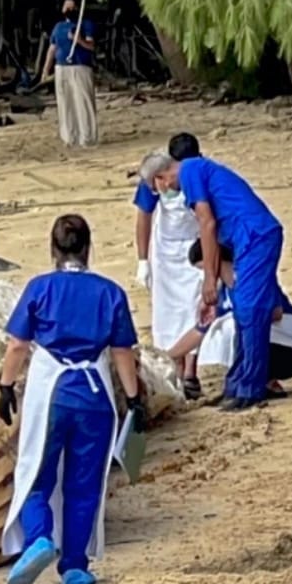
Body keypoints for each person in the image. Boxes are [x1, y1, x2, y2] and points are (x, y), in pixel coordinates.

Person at [0, 214, 145, 584]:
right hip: (95, 396)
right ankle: (76, 566)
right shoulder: (110, 292)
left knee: (36, 475)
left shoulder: (40, 288)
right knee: (84, 483)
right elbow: (122, 351)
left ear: (53, 249)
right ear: (88, 247)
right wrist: (132, 398)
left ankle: (39, 538)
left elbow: (17, 344)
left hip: (51, 393)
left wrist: (6, 386)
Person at [142, 152, 285, 412]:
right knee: (244, 310)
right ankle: (238, 384)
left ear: (161, 179)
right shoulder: (197, 171)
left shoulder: (191, 173)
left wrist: (209, 278)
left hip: (254, 235)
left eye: (156, 188)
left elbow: (206, 223)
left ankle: (250, 387)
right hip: (245, 237)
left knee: (251, 309)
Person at [168, 242, 292, 398]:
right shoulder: (223, 292)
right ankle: (259, 381)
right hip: (269, 344)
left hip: (290, 350)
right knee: (223, 326)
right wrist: (166, 356)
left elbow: (276, 312)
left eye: (204, 269)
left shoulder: (253, 279)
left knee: (231, 324)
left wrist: (241, 314)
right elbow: (199, 331)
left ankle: (259, 380)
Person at [133, 151, 206, 399]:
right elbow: (144, 216)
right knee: (168, 314)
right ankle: (174, 370)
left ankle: (190, 374)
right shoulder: (153, 178)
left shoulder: (198, 178)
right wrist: (143, 260)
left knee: (195, 309)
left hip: (195, 250)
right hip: (165, 255)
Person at [40, 0, 98, 147]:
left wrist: (79, 41)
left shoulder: (85, 24)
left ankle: (88, 137)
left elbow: (92, 46)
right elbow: (52, 49)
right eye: (67, 7)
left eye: (72, 7)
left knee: (83, 102)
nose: (69, 10)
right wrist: (46, 69)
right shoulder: (58, 27)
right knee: (66, 103)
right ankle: (70, 137)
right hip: (61, 68)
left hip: (80, 66)